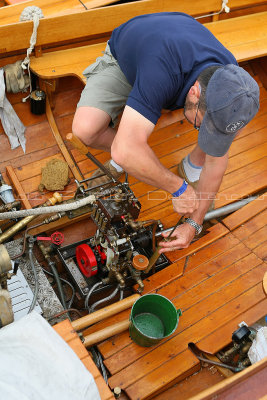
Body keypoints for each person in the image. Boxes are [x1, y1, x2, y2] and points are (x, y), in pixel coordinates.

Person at [72, 12, 259, 252]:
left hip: (168, 55)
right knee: (86, 130)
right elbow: (123, 149)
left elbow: (218, 160)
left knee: (214, 129)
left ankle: (190, 162)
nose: (203, 130)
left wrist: (194, 223)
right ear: (193, 93)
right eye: (201, 124)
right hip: (128, 62)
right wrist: (179, 188)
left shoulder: (232, 86)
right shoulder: (161, 71)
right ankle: (140, 156)